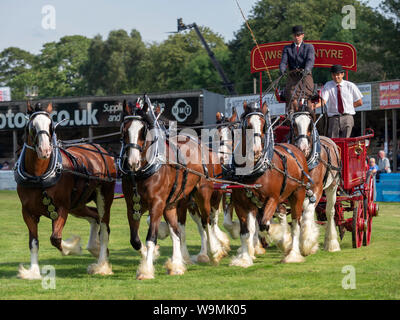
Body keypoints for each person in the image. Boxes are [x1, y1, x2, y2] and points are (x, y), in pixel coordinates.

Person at [317, 64, 363, 138]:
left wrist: (348, 106)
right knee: (333, 142)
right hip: (333, 118)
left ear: (342, 74)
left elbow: (359, 102)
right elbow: (323, 101)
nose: (336, 77)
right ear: (331, 75)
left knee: (346, 141)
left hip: (347, 117)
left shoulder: (350, 85)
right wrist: (313, 106)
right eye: (334, 75)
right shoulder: (328, 85)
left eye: (338, 74)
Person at [279, 25, 315, 114]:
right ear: (293, 36)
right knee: (290, 93)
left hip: (305, 75)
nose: (297, 37)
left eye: (298, 35)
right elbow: (283, 62)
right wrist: (282, 70)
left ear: (303, 35)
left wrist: (306, 69)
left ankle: (309, 111)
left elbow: (310, 60)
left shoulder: (309, 47)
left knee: (308, 93)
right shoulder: (287, 48)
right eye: (295, 35)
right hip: (292, 76)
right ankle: (290, 112)